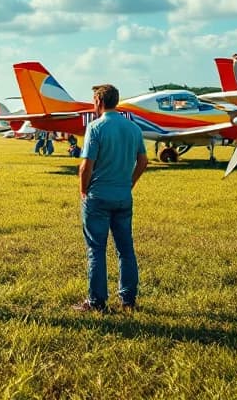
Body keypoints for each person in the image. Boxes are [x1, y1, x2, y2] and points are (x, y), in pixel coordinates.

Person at [74, 84, 147, 313]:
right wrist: (130, 182)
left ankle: (96, 301)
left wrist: (83, 190)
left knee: (96, 249)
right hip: (123, 196)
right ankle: (128, 299)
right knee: (125, 249)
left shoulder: (95, 127)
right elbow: (143, 161)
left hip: (98, 196)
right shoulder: (133, 128)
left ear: (99, 101)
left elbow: (86, 166)